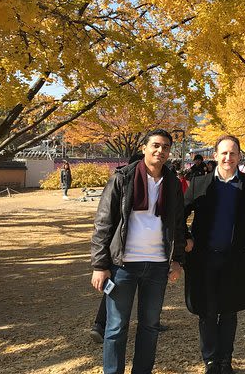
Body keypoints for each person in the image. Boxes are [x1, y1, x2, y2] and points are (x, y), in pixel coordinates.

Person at [90, 128, 187, 374]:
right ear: (144, 148)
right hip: (124, 264)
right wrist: (100, 266)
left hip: (157, 264)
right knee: (115, 327)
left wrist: (177, 260)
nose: (160, 151)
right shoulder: (123, 177)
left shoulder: (173, 183)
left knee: (150, 326)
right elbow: (104, 222)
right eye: (155, 145)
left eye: (165, 147)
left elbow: (177, 224)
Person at [184, 135, 245, 374]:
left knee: (229, 312)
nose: (228, 157)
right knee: (207, 312)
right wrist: (186, 237)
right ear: (215, 155)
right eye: (224, 153)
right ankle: (210, 360)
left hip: (235, 259)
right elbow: (178, 214)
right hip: (204, 258)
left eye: (233, 153)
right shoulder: (200, 183)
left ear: (239, 156)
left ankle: (225, 360)